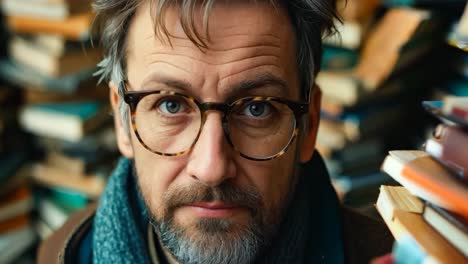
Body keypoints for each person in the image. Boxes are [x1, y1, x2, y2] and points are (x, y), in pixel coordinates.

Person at [38, 0, 393, 263]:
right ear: (122, 120)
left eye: (257, 108)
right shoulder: (61, 253)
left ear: (309, 124)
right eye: (170, 105)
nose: (212, 167)